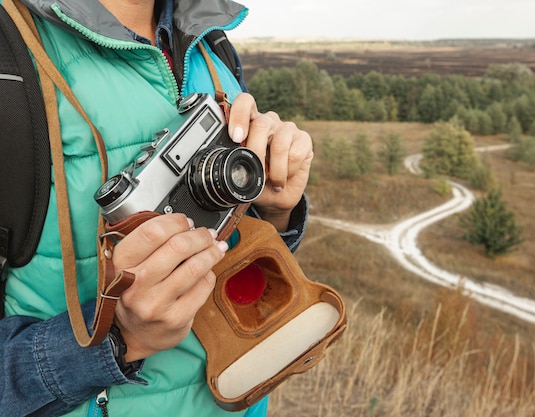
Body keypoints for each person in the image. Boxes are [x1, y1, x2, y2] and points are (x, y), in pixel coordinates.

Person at [0, 0, 313, 416]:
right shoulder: (12, 58)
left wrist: (273, 210)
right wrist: (117, 336)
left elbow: (227, 250)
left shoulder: (208, 39)